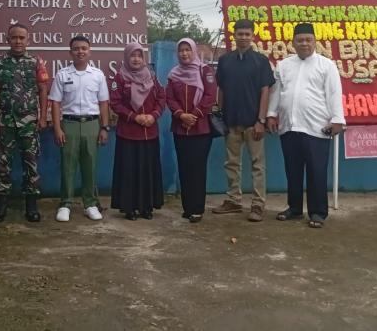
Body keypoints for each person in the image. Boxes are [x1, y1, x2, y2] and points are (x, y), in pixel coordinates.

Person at [266, 22, 345, 229]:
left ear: (315, 42)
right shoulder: (284, 65)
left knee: (316, 171)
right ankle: (294, 208)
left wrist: (337, 119)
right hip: (289, 127)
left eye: (308, 40)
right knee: (292, 171)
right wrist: (271, 115)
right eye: (300, 40)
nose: (304, 44)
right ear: (293, 43)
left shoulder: (326, 65)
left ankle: (318, 212)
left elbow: (334, 93)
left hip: (316, 127)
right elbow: (276, 93)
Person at [212, 19, 275, 222]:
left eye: (247, 34)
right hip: (231, 121)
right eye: (240, 34)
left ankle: (258, 205)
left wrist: (261, 120)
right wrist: (220, 114)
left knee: (257, 165)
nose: (244, 38)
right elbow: (221, 89)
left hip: (253, 123)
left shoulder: (261, 61)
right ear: (234, 35)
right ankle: (233, 200)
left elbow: (265, 91)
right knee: (231, 163)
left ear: (252, 36)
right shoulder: (225, 61)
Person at [0, 23, 49, 222]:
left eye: (22, 38)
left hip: (29, 124)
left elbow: (43, 90)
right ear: (8, 39)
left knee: (31, 163)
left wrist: (42, 117)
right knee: (2, 164)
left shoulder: (36, 62)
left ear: (28, 40)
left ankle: (31, 206)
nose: (18, 41)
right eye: (14, 37)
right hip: (4, 122)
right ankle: (0, 205)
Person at [49, 35, 110, 222]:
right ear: (70, 52)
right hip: (70, 124)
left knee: (90, 165)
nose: (80, 52)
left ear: (89, 51)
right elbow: (55, 103)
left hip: (92, 124)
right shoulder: (62, 75)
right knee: (68, 165)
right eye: (76, 49)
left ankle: (90, 204)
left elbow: (103, 103)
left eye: (84, 48)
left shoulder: (98, 75)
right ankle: (65, 204)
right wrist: (57, 128)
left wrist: (104, 127)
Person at [109, 43, 166, 220]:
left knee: (147, 170)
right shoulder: (120, 78)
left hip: (149, 132)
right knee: (129, 171)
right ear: (127, 57)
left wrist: (154, 115)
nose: (136, 59)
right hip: (128, 133)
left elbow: (161, 97)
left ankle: (146, 207)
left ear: (144, 58)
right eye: (133, 55)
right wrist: (134, 117)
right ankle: (129, 208)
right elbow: (115, 103)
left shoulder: (152, 77)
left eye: (139, 56)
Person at [165, 38, 217, 223]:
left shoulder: (205, 71)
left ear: (193, 51)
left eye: (188, 50)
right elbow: (169, 98)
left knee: (197, 168)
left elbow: (210, 96)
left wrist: (193, 115)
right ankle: (187, 207)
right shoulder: (174, 74)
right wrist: (181, 115)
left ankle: (197, 208)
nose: (184, 53)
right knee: (184, 167)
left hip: (201, 129)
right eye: (181, 50)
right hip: (180, 129)